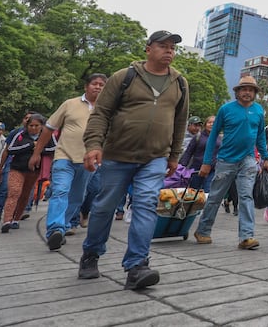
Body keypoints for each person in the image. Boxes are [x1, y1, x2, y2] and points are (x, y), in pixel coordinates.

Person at [78, 30, 190, 289]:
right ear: (148, 49)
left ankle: (137, 265)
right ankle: (91, 254)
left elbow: (180, 121)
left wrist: (174, 155)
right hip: (117, 155)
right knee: (104, 206)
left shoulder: (180, 83)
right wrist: (94, 144)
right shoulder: (124, 77)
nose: (169, 51)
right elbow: (101, 113)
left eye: (173, 48)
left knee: (147, 204)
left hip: (155, 158)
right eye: (163, 46)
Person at [31, 74, 107, 250]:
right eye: (94, 84)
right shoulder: (69, 104)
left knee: (77, 197)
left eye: (102, 85)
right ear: (86, 87)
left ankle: (62, 228)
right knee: (60, 191)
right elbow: (49, 129)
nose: (98, 87)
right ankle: (54, 230)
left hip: (89, 161)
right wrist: (37, 153)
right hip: (64, 156)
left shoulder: (107, 109)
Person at [192, 75, 268, 249]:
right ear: (238, 92)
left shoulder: (258, 111)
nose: (247, 92)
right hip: (226, 160)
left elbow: (260, 137)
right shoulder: (225, 109)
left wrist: (265, 157)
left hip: (248, 160)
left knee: (246, 196)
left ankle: (246, 237)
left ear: (255, 93)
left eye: (251, 90)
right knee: (215, 197)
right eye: (244, 89)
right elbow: (213, 136)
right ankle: (203, 231)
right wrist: (206, 162)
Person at [0, 113, 46, 233]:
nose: (33, 128)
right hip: (17, 168)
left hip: (34, 171)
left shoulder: (46, 136)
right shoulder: (19, 135)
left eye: (36, 126)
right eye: (31, 125)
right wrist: (29, 146)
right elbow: (10, 150)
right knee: (14, 192)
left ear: (41, 126)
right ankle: (7, 220)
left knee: (25, 195)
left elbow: (52, 149)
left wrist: (39, 148)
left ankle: (16, 219)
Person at [180, 115, 219, 192]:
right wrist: (181, 167)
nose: (211, 124)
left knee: (208, 191)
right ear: (205, 124)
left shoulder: (220, 138)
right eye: (209, 122)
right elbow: (188, 152)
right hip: (197, 169)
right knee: (193, 192)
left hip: (213, 170)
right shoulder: (198, 136)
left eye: (214, 123)